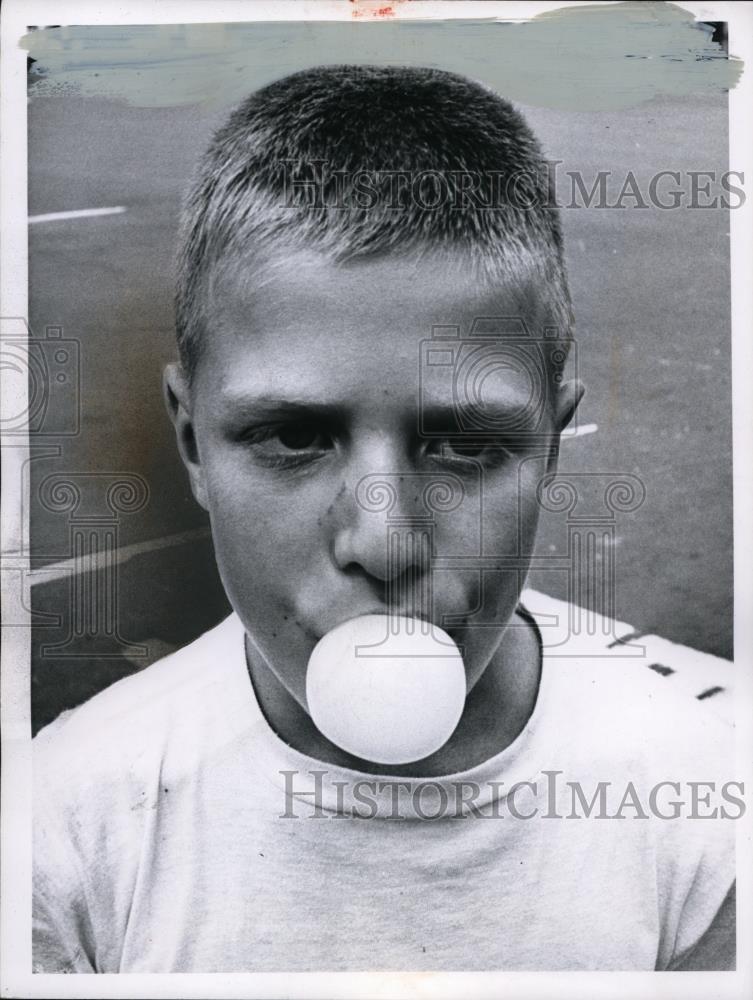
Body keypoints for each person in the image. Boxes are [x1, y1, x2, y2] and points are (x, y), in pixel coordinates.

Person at [33, 65, 736, 973]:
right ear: (194, 443)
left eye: (463, 446)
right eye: (291, 436)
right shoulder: (66, 830)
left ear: (550, 447)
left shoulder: (709, 798)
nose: (382, 540)